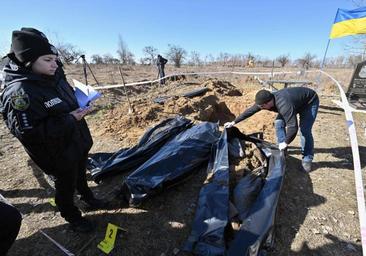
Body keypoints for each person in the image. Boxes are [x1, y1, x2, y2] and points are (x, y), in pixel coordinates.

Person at [0, 28, 108, 233]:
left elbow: (64, 102)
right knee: (65, 186)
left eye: (55, 59)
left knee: (80, 175)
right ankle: (72, 216)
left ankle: (89, 198)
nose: (55, 63)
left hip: (76, 142)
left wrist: (81, 101)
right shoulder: (19, 92)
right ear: (29, 61)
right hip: (57, 155)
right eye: (48, 59)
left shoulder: (55, 75)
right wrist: (70, 118)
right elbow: (29, 133)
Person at [224, 87, 319, 172]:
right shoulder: (264, 101)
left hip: (309, 103)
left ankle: (307, 158)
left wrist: (286, 142)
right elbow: (250, 111)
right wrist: (234, 122)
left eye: (262, 107)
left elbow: (293, 126)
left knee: (304, 131)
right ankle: (283, 150)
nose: (260, 108)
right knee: (279, 123)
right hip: (294, 102)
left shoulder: (284, 105)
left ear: (268, 103)